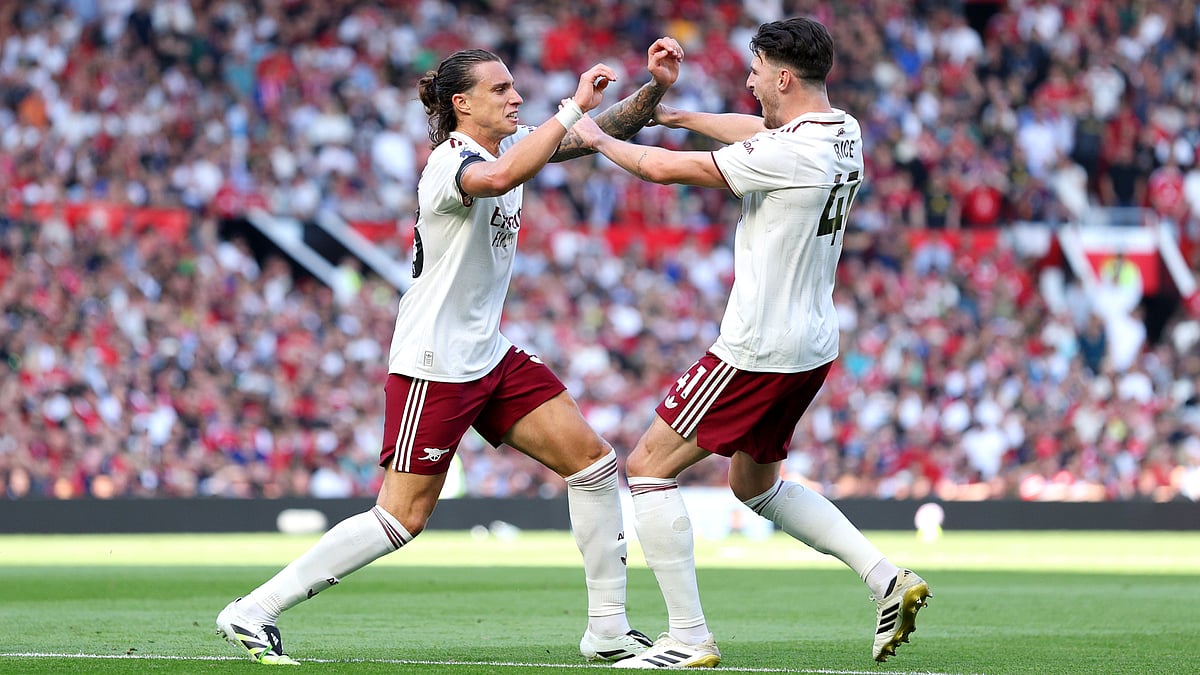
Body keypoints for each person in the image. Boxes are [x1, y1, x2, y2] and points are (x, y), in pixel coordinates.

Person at [216, 38, 685, 665]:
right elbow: (498, 178)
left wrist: (653, 88)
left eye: (516, 87)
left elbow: (595, 134)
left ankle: (607, 630)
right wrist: (571, 106)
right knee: (400, 518)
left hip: (488, 354)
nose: (516, 96)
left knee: (595, 466)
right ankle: (252, 611)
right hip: (434, 364)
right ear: (462, 104)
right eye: (501, 90)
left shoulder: (505, 151)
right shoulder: (452, 161)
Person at [572, 17, 930, 668]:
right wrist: (674, 112)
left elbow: (660, 171)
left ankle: (687, 636)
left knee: (648, 467)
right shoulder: (841, 129)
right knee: (754, 483)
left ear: (784, 77)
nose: (748, 80)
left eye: (757, 70)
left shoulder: (790, 152)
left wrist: (593, 134)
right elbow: (759, 130)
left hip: (756, 346)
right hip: (813, 343)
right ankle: (885, 577)